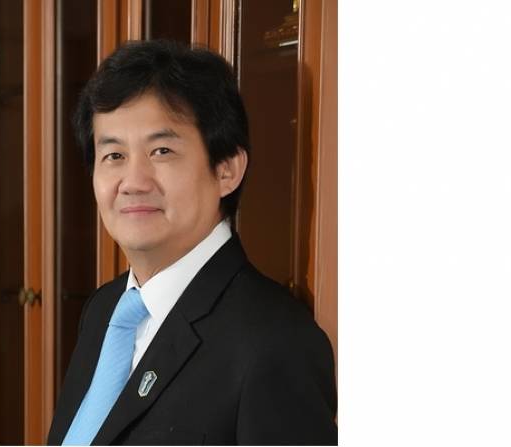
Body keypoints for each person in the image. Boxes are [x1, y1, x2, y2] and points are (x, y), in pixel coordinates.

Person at [47, 39, 337, 445]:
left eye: (162, 150)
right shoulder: (104, 311)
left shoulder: (276, 343)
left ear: (226, 170)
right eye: (114, 156)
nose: (133, 182)